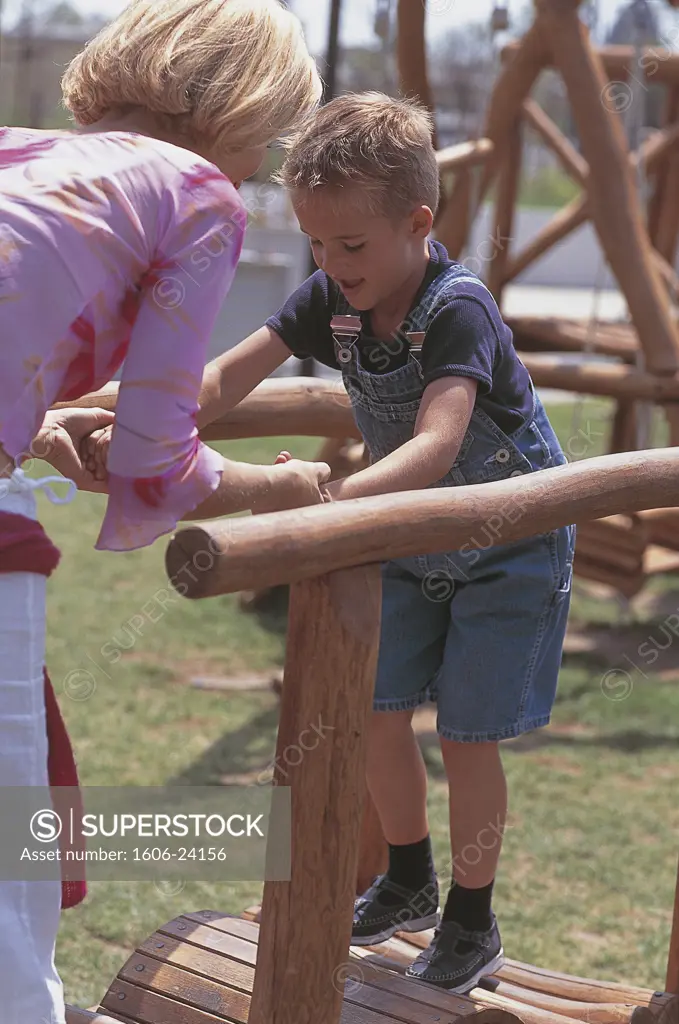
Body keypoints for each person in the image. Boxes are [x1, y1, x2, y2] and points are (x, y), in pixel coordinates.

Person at [84, 91, 577, 994]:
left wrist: (328, 500)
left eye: (349, 245)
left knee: (468, 734)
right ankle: (408, 876)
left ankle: (473, 920)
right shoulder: (332, 298)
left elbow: (434, 446)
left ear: (417, 224)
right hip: (410, 536)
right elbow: (227, 377)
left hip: (508, 541)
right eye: (315, 242)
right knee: (376, 708)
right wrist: (114, 411)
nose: (329, 262)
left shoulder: (454, 309)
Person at [0, 2, 329, 1021]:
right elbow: (157, 449)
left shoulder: (18, 150)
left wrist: (38, 415)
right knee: (15, 831)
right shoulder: (199, 194)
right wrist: (282, 488)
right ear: (250, 108)